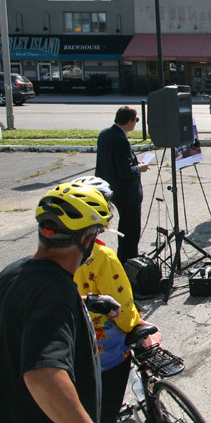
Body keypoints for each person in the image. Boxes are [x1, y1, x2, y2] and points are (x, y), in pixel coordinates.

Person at [0, 181, 111, 421]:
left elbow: (22, 315)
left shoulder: (14, 273)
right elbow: (42, 375)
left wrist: (86, 302)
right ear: (87, 240)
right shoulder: (57, 294)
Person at [71, 176, 159, 423]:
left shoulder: (60, 251)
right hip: (103, 340)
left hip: (72, 335)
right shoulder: (103, 256)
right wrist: (137, 327)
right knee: (108, 397)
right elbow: (120, 304)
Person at [96, 105, 149, 264]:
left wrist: (133, 162)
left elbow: (111, 163)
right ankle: (129, 262)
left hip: (110, 187)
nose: (136, 123)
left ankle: (126, 259)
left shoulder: (105, 134)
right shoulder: (121, 140)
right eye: (136, 120)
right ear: (129, 121)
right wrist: (140, 168)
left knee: (125, 227)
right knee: (130, 230)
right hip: (126, 192)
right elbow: (125, 171)